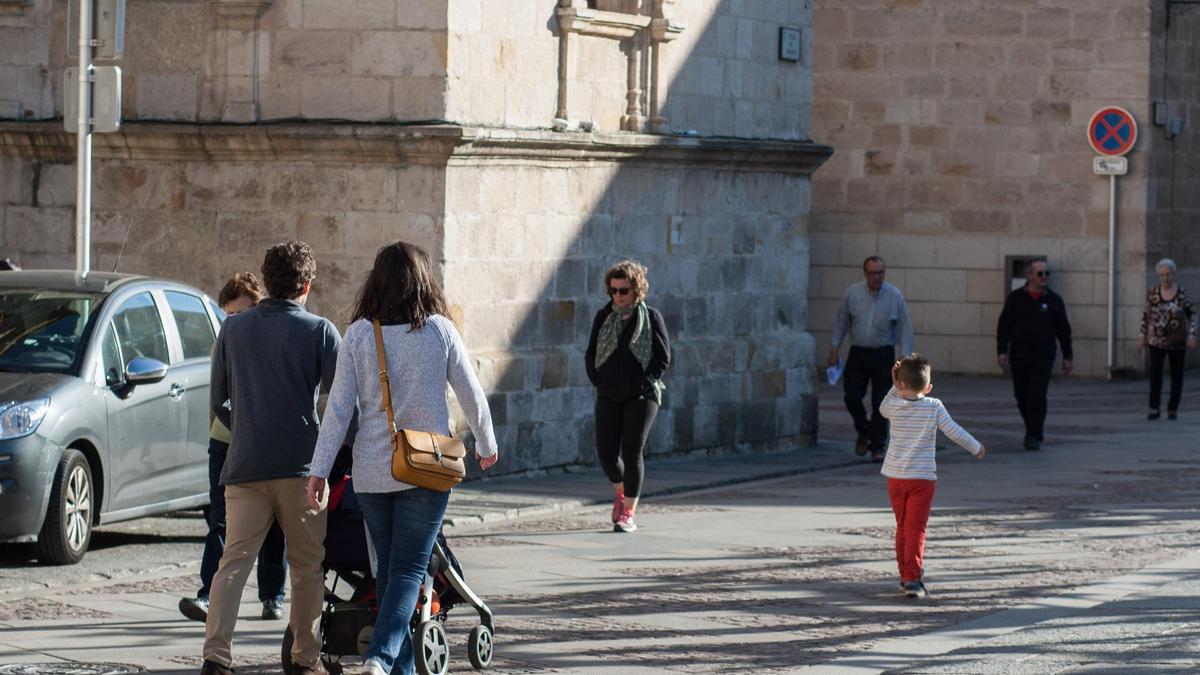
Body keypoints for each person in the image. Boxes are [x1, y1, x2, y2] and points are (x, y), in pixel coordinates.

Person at [306, 241, 498, 675]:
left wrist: (319, 470)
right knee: (410, 571)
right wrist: (486, 443)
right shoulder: (439, 331)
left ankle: (400, 670)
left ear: (376, 282)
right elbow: (471, 393)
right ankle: (379, 658)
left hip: (372, 472)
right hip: (427, 470)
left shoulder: (357, 335)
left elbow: (337, 410)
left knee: (391, 574)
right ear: (422, 281)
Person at [201, 241, 342, 675]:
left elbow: (218, 400)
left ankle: (216, 657)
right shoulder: (320, 331)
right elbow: (339, 405)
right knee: (306, 568)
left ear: (267, 280)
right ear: (306, 284)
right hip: (303, 469)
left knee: (232, 565)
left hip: (245, 465)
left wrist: (246, 423)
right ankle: (305, 658)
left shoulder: (234, 329)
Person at [179, 272, 288, 623]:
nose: (235, 323)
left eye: (242, 314)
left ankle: (272, 594)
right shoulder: (224, 341)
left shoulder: (274, 341)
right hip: (226, 442)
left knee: (274, 522)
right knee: (221, 520)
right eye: (230, 316)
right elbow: (217, 398)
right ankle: (208, 594)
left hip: (269, 445)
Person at [879, 354, 985, 598]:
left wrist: (894, 385)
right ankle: (913, 578)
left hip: (895, 477)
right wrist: (976, 446)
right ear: (928, 388)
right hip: (922, 479)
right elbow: (955, 432)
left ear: (901, 383)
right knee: (916, 527)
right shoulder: (934, 406)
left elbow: (882, 408)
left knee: (903, 526)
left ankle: (905, 573)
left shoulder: (893, 405)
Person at [584, 260, 671, 534]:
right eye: (614, 291)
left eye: (624, 290)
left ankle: (628, 513)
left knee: (632, 451)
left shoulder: (650, 316)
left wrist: (646, 383)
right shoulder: (604, 316)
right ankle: (622, 493)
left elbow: (663, 356)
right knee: (607, 453)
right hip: (609, 393)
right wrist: (597, 380)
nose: (618, 296)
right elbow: (590, 353)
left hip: (642, 396)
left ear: (636, 290)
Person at [828, 256, 913, 462]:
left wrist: (904, 358)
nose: (877, 277)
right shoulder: (853, 294)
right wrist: (834, 348)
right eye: (873, 273)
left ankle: (877, 446)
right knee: (851, 396)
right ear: (865, 273)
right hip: (858, 352)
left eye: (881, 272)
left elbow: (905, 327)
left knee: (881, 403)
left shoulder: (894, 295)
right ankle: (863, 429)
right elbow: (842, 321)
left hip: (883, 354)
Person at [996, 257, 1072, 451]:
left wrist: (1067, 356)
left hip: (1044, 355)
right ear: (1029, 275)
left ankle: (1034, 434)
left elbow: (1064, 329)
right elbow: (1004, 325)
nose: (1044, 277)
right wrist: (1002, 350)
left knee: (1037, 395)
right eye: (1040, 273)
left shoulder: (1054, 300)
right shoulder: (1015, 298)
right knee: (1022, 395)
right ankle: (1031, 428)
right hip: (1020, 355)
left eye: (1047, 273)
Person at [1139, 258, 1198, 420]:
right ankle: (1154, 408)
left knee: (1177, 376)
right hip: (1156, 340)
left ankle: (1173, 408)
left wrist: (1192, 335)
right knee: (1155, 374)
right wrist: (1142, 336)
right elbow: (1145, 315)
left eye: (1168, 275)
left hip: (1176, 341)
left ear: (1173, 275)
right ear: (1158, 275)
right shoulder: (1153, 293)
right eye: (1162, 275)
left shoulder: (1181, 294)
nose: (1166, 278)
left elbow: (1192, 314)